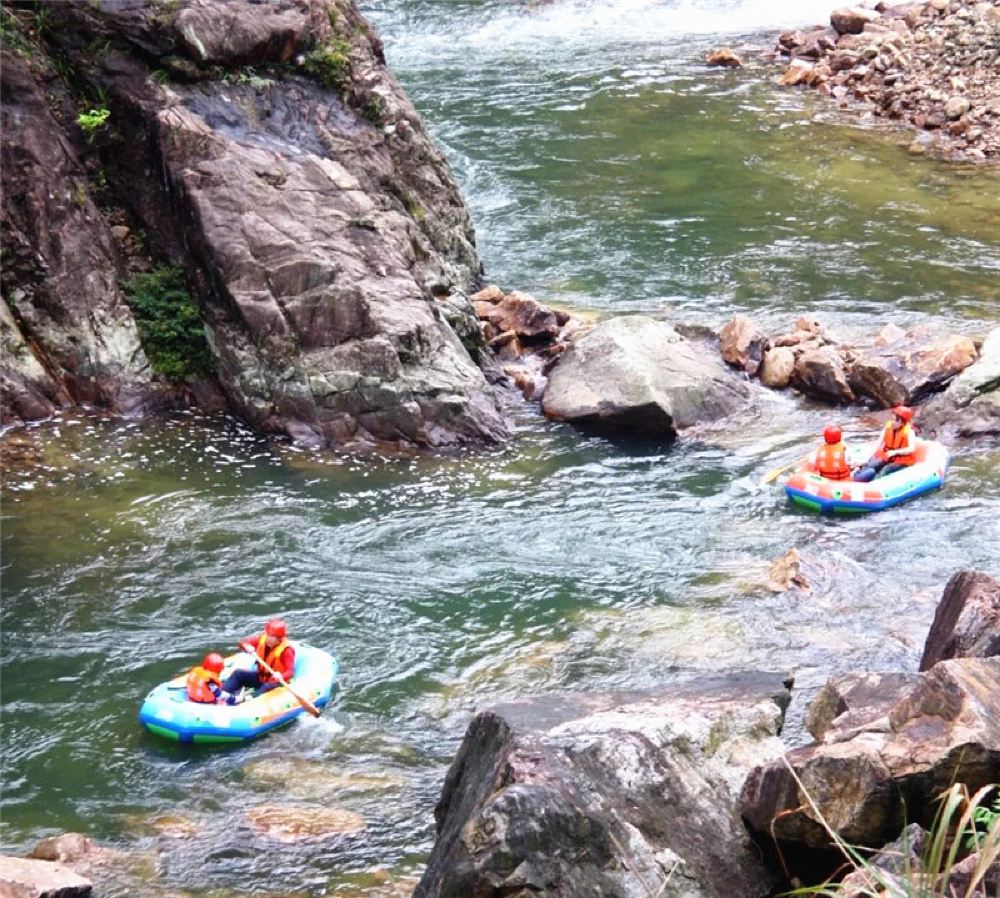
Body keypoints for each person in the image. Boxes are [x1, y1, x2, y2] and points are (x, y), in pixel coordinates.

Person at [222, 617, 295, 697]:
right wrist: (246, 646)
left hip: (275, 683)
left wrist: (281, 676)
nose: (270, 639)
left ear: (280, 639)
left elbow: (290, 671)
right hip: (261, 678)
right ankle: (222, 695)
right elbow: (242, 643)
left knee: (266, 687)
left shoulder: (287, 650)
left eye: (274, 637)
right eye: (269, 635)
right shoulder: (261, 639)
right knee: (238, 673)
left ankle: (250, 700)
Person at [853, 405, 917, 482]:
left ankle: (872, 484)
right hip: (887, 456)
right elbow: (878, 443)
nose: (893, 423)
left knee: (886, 469)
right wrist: (867, 459)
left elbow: (911, 449)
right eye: (893, 419)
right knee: (872, 464)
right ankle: (857, 474)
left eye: (896, 421)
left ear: (902, 422)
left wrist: (895, 452)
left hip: (901, 460)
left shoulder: (909, 432)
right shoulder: (888, 427)